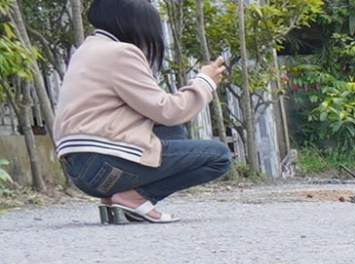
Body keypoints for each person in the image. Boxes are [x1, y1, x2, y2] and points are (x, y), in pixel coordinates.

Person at [52, 0, 231, 224]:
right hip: (103, 165)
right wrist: (205, 82)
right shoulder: (120, 53)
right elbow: (168, 110)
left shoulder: (86, 51)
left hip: (79, 169)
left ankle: (115, 197)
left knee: (170, 130)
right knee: (218, 157)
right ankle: (135, 197)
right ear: (133, 26)